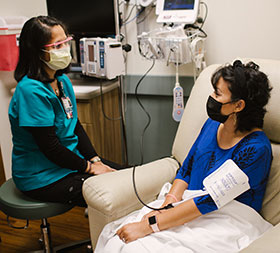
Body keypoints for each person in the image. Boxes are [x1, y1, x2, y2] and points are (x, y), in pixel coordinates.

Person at [95, 60, 273, 252]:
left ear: (238, 105)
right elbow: (187, 168)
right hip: (185, 206)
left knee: (136, 248)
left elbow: (209, 201)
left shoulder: (256, 149)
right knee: (116, 240)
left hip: (224, 219)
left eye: (218, 94)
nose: (211, 97)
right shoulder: (212, 125)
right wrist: (169, 200)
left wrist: (150, 225)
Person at [8, 16, 123, 207]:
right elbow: (50, 147)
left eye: (65, 42)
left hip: (70, 164)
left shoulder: (62, 81)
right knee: (115, 193)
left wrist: (95, 160)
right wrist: (89, 168)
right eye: (56, 46)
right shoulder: (30, 91)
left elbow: (75, 125)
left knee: (131, 177)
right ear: (36, 52)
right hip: (42, 176)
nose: (64, 49)